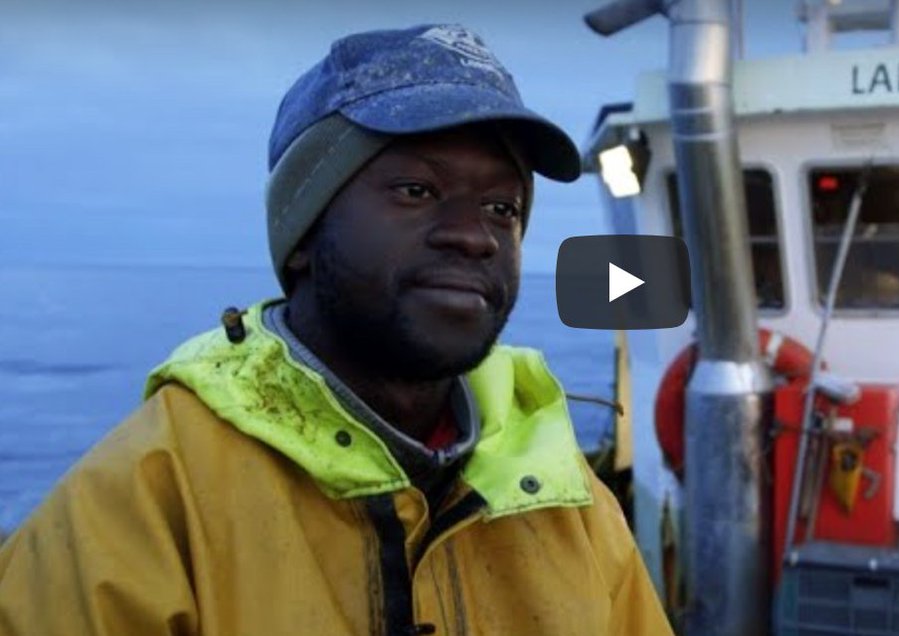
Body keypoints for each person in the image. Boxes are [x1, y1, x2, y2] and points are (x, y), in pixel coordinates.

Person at [0, 25, 673, 636]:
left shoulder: (574, 510)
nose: (476, 235)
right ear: (303, 230)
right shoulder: (137, 510)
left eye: (503, 207)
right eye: (416, 190)